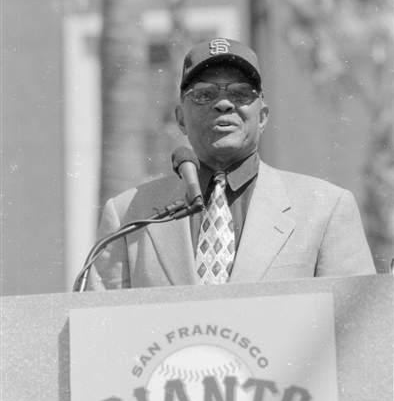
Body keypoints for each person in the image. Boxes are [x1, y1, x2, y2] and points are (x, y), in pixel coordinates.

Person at [89, 38, 376, 290]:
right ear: (180, 118)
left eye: (240, 93)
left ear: (262, 116)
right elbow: (99, 333)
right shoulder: (130, 215)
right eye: (204, 94)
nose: (223, 104)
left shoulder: (326, 208)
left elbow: (358, 333)